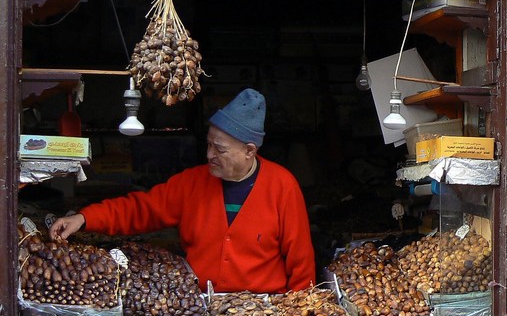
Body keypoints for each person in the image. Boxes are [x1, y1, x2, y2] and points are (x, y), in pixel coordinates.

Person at [49, 88, 316, 294]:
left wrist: (301, 314)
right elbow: (140, 209)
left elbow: (301, 261)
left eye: (220, 149)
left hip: (264, 311)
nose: (210, 154)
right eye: (209, 144)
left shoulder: (282, 186)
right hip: (200, 307)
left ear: (249, 151)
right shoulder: (191, 183)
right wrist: (85, 218)